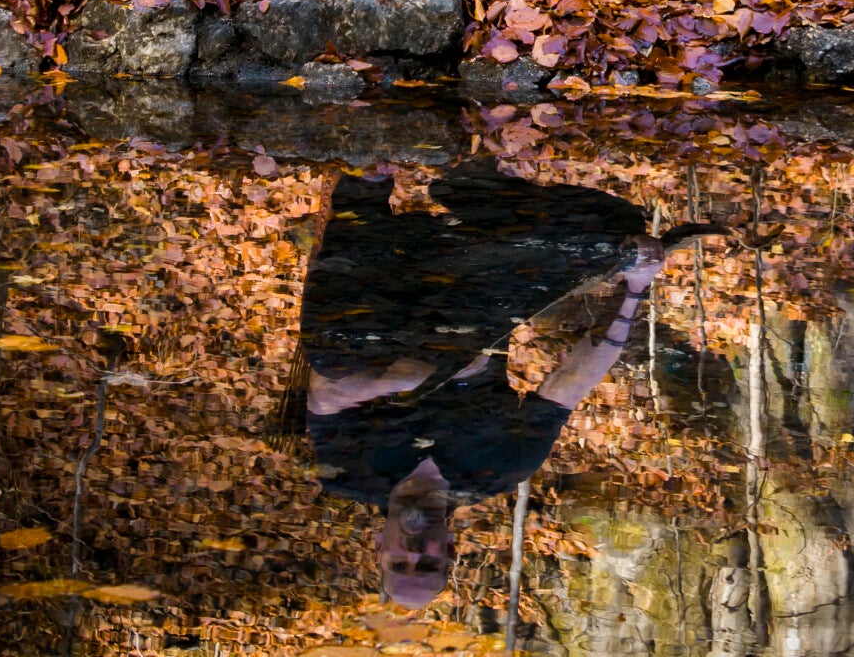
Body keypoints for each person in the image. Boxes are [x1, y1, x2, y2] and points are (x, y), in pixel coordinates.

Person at [295, 162, 705, 609]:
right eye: (428, 563)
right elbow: (571, 382)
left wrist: (423, 373)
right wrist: (636, 288)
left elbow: (326, 392)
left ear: (379, 547)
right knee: (616, 233)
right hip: (474, 285)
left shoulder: (350, 473)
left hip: (377, 294)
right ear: (450, 549)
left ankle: (367, 182)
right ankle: (473, 186)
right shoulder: (499, 469)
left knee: (335, 358)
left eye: (400, 563)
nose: (415, 551)